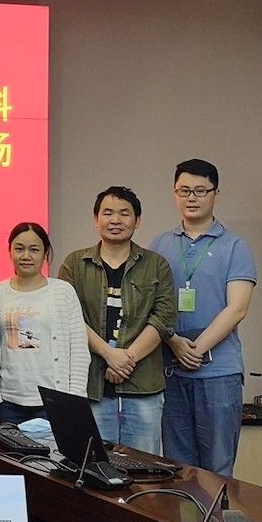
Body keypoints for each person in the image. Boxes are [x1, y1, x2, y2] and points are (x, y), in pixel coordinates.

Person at [150, 159, 256, 476]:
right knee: (177, 467)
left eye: (200, 191)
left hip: (218, 372)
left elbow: (237, 308)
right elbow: (150, 304)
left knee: (217, 468)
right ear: (174, 193)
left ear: (215, 194)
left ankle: (216, 513)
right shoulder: (160, 243)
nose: (192, 198)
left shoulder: (235, 246)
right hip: (171, 369)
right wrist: (174, 342)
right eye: (184, 191)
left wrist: (196, 349)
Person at [58, 187, 175, 454]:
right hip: (92, 387)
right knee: (96, 467)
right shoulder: (75, 263)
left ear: (137, 220)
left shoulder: (156, 265)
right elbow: (69, 318)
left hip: (143, 388)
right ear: (95, 219)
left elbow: (164, 318)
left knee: (144, 468)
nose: (115, 220)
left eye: (124, 213)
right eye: (108, 213)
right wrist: (109, 355)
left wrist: (126, 359)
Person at [0, 222, 90, 426]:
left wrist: (74, 402)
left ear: (45, 253)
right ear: (10, 251)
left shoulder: (62, 291)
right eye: (19, 249)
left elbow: (79, 351)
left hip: (52, 401)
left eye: (34, 249)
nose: (26, 256)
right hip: (9, 402)